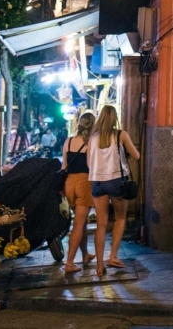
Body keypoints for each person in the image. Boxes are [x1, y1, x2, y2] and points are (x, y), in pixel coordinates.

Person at [87, 104, 141, 277]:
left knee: (101, 224)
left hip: (97, 181)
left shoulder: (93, 137)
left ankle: (99, 266)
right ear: (114, 118)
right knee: (120, 218)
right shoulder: (120, 134)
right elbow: (137, 156)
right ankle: (113, 256)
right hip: (117, 180)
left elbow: (89, 163)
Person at [59, 110, 95, 273]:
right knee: (79, 224)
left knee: (82, 222)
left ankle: (85, 254)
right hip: (84, 182)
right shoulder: (92, 143)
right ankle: (69, 263)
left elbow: (64, 166)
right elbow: (91, 165)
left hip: (69, 183)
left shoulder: (69, 140)